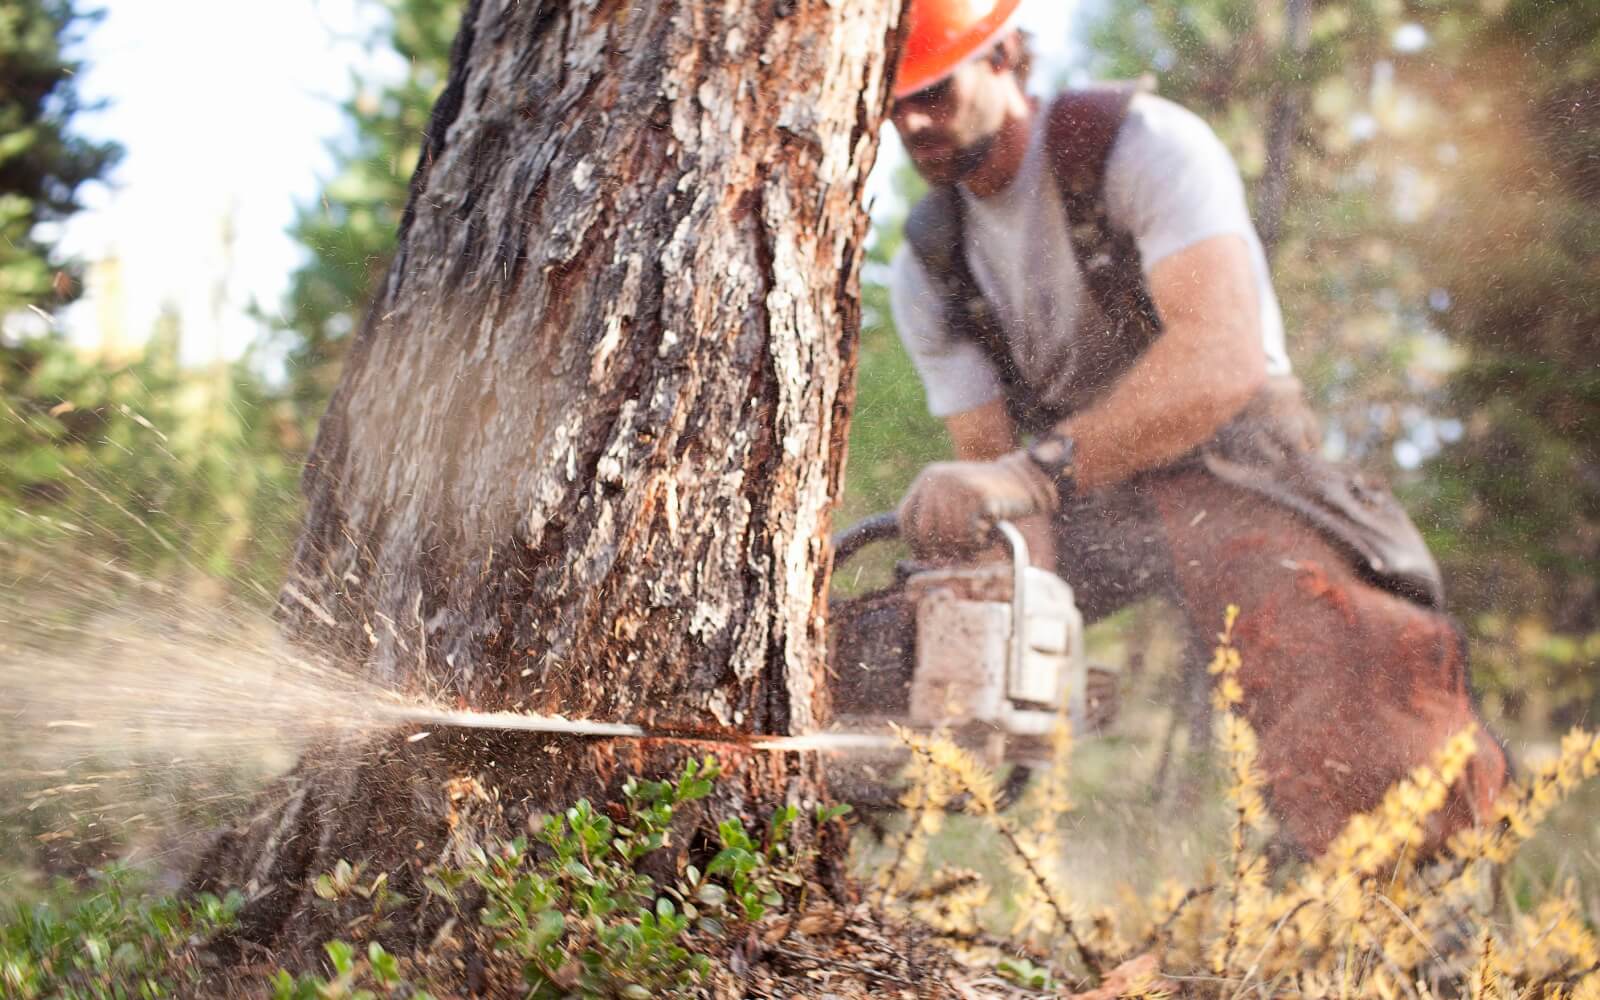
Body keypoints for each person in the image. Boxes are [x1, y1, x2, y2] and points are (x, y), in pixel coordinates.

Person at [882, 0, 1506, 855]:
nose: (912, 120)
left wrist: (1031, 476)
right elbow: (995, 477)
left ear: (1005, 58)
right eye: (891, 100)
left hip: (1237, 460)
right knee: (915, 624)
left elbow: (1221, 358)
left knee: (1333, 649)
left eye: (932, 91)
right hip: (1084, 491)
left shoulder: (1142, 145)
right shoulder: (928, 266)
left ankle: (1404, 891)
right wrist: (1005, 622)